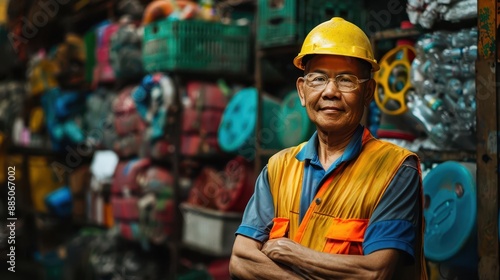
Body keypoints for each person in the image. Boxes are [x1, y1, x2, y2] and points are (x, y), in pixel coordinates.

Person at [229, 17, 427, 280]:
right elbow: (241, 261)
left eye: (346, 80)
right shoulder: (278, 168)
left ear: (368, 92)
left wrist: (291, 253)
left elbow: (375, 271)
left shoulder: (396, 170)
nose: (330, 91)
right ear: (302, 91)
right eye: (319, 79)